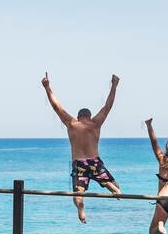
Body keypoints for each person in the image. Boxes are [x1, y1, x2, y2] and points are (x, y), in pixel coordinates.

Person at [41, 72, 122, 223]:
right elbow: (107, 106)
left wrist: (47, 87)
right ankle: (111, 186)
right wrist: (114, 86)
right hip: (95, 163)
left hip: (79, 165)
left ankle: (81, 207)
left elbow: (56, 106)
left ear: (78, 117)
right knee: (115, 185)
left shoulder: (72, 124)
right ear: (89, 117)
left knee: (77, 194)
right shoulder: (95, 124)